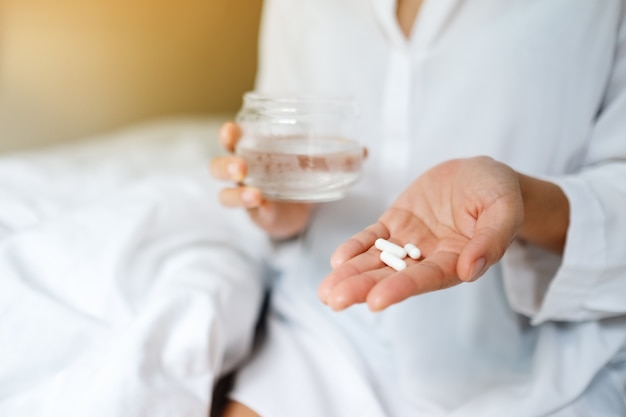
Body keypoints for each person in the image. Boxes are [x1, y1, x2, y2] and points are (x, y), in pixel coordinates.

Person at [210, 0, 626, 415]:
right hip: (329, 325)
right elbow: (284, 138)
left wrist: (521, 197)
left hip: (534, 359)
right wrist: (283, 208)